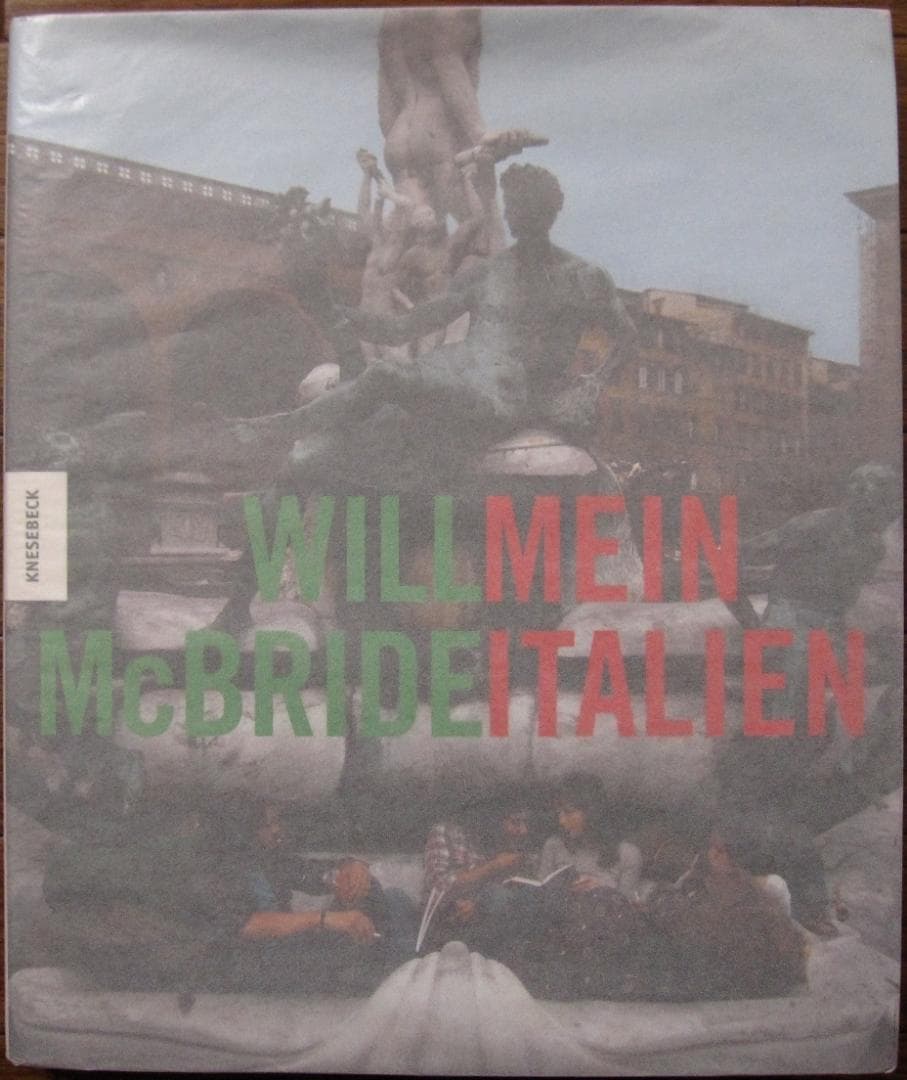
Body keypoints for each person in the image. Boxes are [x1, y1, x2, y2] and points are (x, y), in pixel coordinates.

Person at [208, 163, 636, 635]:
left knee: (383, 378)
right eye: (512, 206)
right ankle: (236, 607)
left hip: (498, 395)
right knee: (303, 464)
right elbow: (402, 328)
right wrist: (334, 309)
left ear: (549, 212)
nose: (515, 218)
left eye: (524, 208)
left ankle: (277, 427)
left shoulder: (582, 278)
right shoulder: (488, 274)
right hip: (447, 379)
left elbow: (626, 335)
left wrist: (593, 383)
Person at [421, 787, 539, 955]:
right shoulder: (444, 832)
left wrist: (477, 903)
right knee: (498, 896)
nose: (523, 830)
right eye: (516, 822)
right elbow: (439, 883)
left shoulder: (504, 841)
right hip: (447, 917)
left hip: (485, 916)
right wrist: (495, 865)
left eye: (525, 824)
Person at [537, 772, 643, 899]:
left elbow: (629, 906)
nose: (561, 821)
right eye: (559, 812)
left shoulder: (628, 855)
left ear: (592, 813)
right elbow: (540, 895)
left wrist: (602, 890)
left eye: (568, 812)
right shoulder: (554, 845)